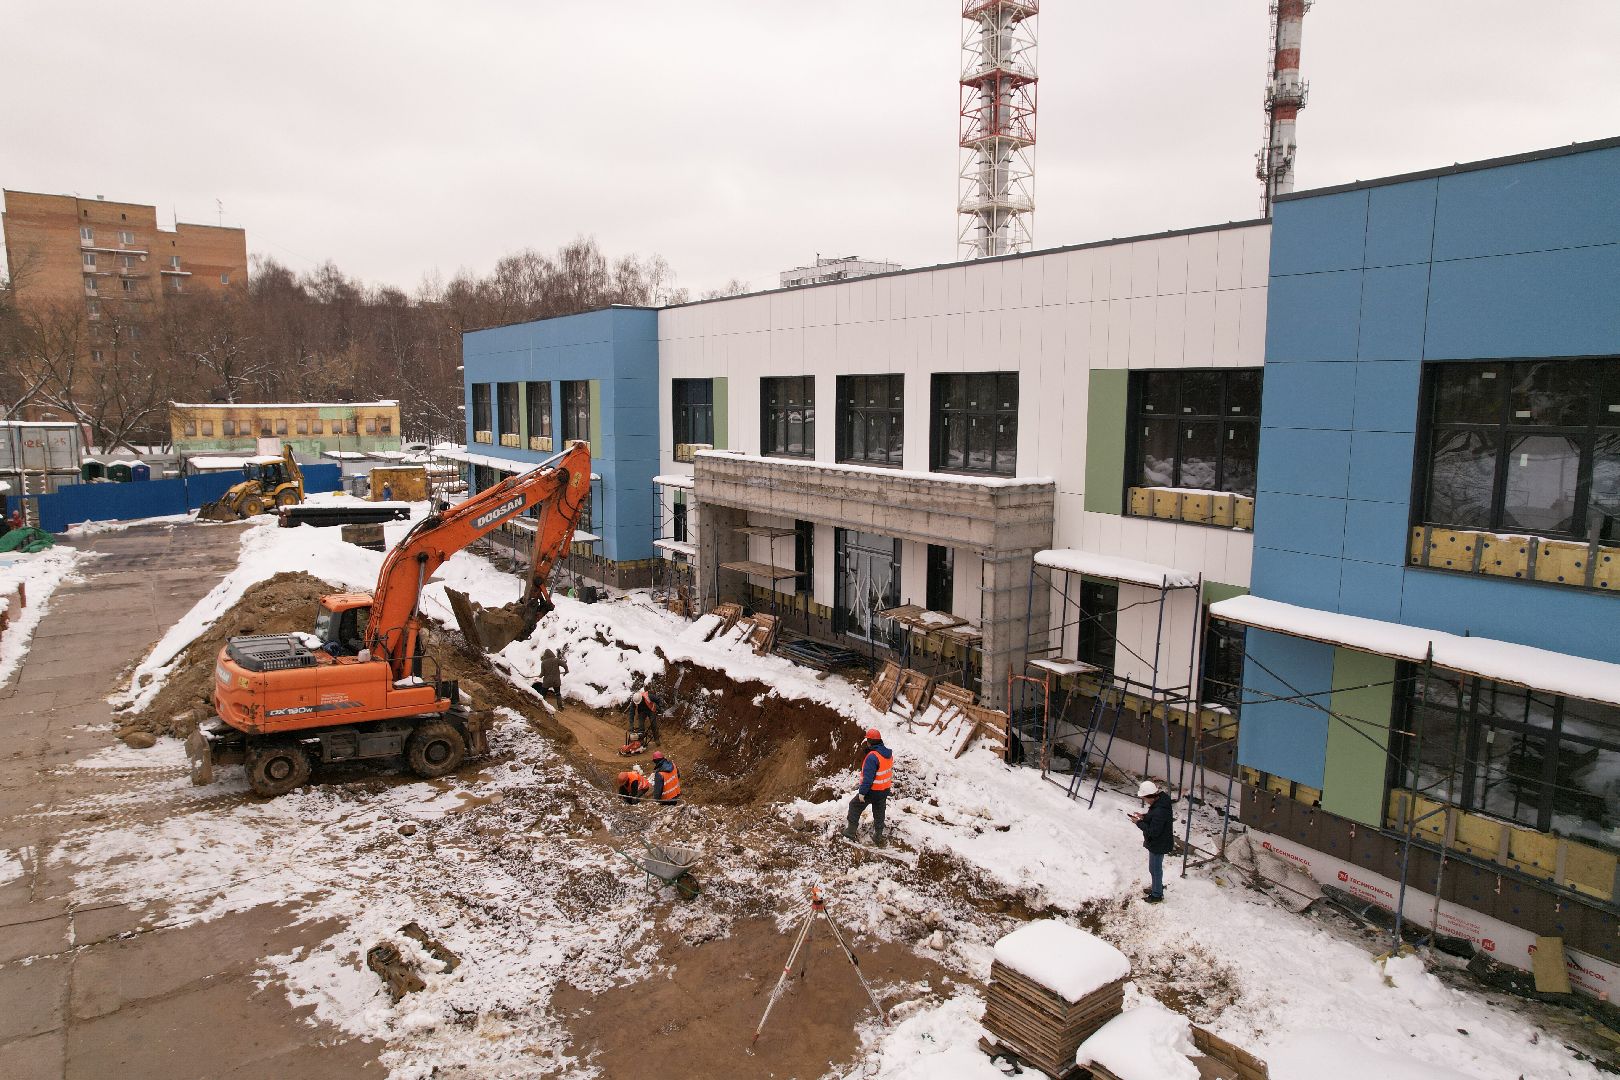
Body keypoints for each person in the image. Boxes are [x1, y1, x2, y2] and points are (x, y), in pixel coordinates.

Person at [844, 728, 893, 847]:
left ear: (870, 741)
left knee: (854, 805)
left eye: (867, 740)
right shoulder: (888, 755)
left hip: (872, 791)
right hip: (884, 790)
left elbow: (868, 778)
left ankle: (850, 832)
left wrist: (862, 793)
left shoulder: (872, 756)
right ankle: (878, 835)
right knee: (879, 812)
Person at [1130, 780, 1174, 903]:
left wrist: (1138, 822)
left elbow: (1153, 831)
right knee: (1154, 868)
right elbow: (1154, 818)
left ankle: (1157, 895)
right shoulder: (1160, 803)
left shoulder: (1160, 810)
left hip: (1158, 843)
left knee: (1155, 869)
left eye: (1145, 798)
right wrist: (1144, 817)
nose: (1145, 801)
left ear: (1151, 796)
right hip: (1158, 842)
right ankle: (1157, 887)